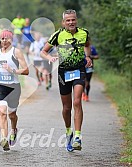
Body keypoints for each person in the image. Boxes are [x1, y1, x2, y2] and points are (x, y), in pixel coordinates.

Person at [41, 9, 92, 152]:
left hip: (79, 70)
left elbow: (87, 45)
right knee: (66, 108)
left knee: (77, 101)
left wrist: (88, 57)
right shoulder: (57, 35)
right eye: (68, 20)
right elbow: (43, 51)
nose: (71, 22)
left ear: (76, 20)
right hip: (63, 73)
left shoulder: (84, 33)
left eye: (73, 19)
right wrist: (49, 58)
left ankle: (77, 136)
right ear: (63, 22)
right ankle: (68, 130)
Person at [0, 30, 29, 151]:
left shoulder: (16, 52)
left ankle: (14, 130)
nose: (4, 41)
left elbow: (26, 70)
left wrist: (12, 70)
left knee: (12, 115)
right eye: (2, 38)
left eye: (7, 38)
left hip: (14, 87)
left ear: (11, 39)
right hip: (0, 86)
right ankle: (4, 139)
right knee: (2, 112)